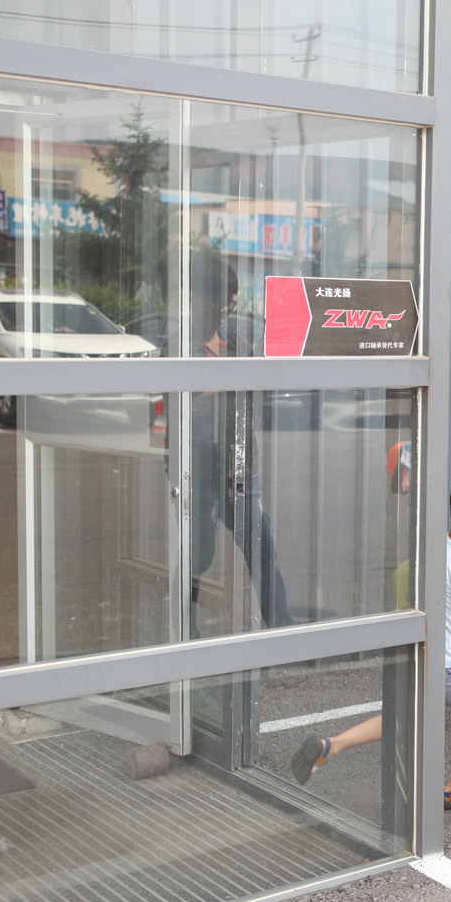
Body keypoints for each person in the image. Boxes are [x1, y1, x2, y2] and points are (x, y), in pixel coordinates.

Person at [292, 471, 451, 808]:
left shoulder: (439, 549)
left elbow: (450, 598)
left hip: (419, 654)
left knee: (402, 716)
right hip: (447, 668)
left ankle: (332, 746)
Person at [185, 251, 292, 635]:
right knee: (196, 556)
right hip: (197, 466)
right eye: (214, 302)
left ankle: (281, 627)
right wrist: (221, 387)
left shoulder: (238, 343)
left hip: (242, 465)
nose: (221, 311)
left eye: (227, 304)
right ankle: (186, 633)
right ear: (195, 298)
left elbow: (255, 397)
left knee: (261, 548)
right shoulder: (181, 346)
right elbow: (177, 403)